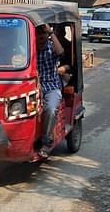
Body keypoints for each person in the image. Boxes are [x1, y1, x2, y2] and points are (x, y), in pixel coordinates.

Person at [36, 23, 64, 158]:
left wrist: (51, 33)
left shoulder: (52, 48)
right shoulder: (30, 50)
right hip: (35, 88)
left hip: (52, 87)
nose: (41, 36)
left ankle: (47, 140)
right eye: (38, 33)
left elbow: (61, 52)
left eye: (43, 33)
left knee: (51, 109)